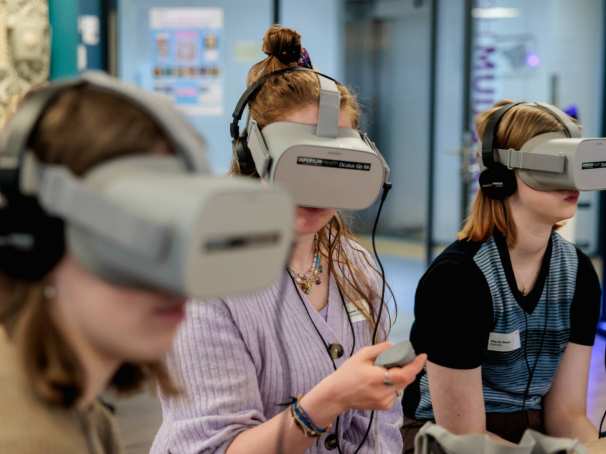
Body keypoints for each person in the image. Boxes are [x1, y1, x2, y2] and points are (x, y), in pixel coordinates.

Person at [151, 25, 426, 454]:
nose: (316, 192)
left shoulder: (357, 264)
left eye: (335, 169)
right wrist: (328, 402)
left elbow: (380, 428)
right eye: (299, 167)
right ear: (252, 155)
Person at [0, 79, 191, 453]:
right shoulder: (28, 439)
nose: (176, 275)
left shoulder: (75, 410)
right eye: (132, 237)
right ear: (36, 241)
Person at [402, 100, 601, 452]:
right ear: (502, 176)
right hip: (444, 441)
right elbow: (465, 438)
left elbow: (567, 415)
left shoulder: (578, 274)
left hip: (534, 437)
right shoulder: (459, 279)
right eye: (557, 165)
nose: (573, 182)